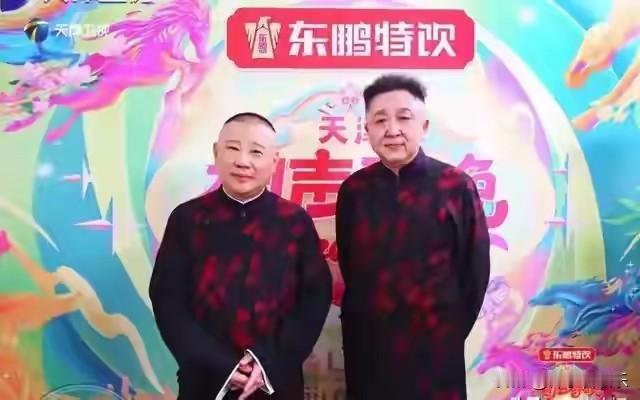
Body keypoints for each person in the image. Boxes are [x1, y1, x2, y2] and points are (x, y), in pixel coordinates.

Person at [149, 112, 332, 400]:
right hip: (204, 380)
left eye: (256, 152)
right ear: (216, 152)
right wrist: (221, 365)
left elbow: (314, 299)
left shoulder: (294, 221)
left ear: (274, 161)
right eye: (233, 148)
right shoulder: (187, 219)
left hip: (276, 379)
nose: (243, 161)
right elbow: (168, 300)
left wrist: (266, 361)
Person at [335, 74, 491, 399]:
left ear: (424, 126)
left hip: (436, 349)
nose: (392, 130)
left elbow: (475, 271)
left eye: (404, 118)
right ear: (367, 130)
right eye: (380, 120)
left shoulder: (455, 186)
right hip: (369, 348)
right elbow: (351, 266)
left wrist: (448, 332)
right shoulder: (354, 190)